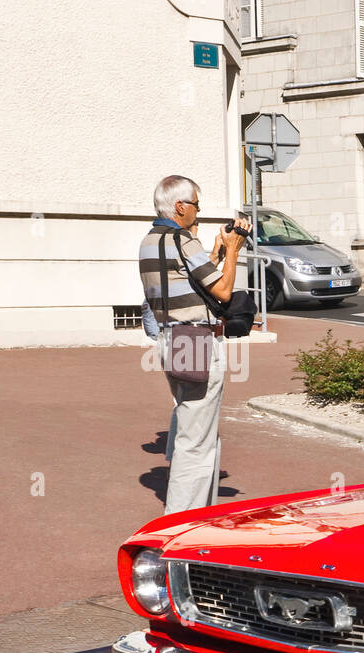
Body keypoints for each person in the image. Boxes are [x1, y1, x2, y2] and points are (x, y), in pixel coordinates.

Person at [139, 175, 248, 513]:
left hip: (171, 340)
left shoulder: (149, 241)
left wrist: (213, 253)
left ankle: (199, 511)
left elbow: (191, 282)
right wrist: (232, 251)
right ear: (180, 206)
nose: (198, 213)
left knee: (193, 426)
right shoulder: (184, 240)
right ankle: (183, 519)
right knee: (196, 440)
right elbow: (222, 291)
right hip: (197, 341)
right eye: (196, 205)